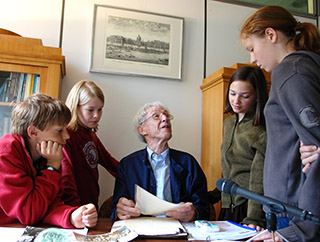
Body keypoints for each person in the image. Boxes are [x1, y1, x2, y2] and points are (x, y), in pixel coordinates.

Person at [241, 5, 320, 241]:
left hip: (296, 213)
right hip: (292, 209)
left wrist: (298, 231)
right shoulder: (306, 67)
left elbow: (317, 158)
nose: (252, 59)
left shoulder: (290, 72)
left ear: (271, 35)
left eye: (252, 48)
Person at [0, 93, 97, 228]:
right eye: (59, 130)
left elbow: (47, 204)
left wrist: (71, 216)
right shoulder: (5, 153)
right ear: (33, 132)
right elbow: (29, 213)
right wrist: (51, 168)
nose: (67, 136)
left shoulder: (49, 154)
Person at [111, 101, 209, 222]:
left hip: (180, 233)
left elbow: (205, 208)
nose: (165, 119)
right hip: (140, 234)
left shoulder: (188, 163)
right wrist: (120, 210)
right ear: (142, 129)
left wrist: (194, 213)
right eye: (156, 116)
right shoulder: (127, 165)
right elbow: (115, 210)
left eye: (166, 115)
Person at [219, 65, 268, 231]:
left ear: (256, 97)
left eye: (244, 96)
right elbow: (230, 167)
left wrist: (254, 217)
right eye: (232, 94)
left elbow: (258, 178)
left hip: (249, 207)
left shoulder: (261, 129)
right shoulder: (228, 123)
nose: (236, 101)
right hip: (227, 204)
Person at [61, 80, 119, 210]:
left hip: (90, 205)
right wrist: (76, 211)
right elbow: (66, 179)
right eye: (90, 110)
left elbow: (111, 164)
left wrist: (137, 176)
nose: (96, 115)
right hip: (74, 210)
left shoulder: (91, 136)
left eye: (100, 110)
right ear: (76, 107)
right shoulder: (65, 136)